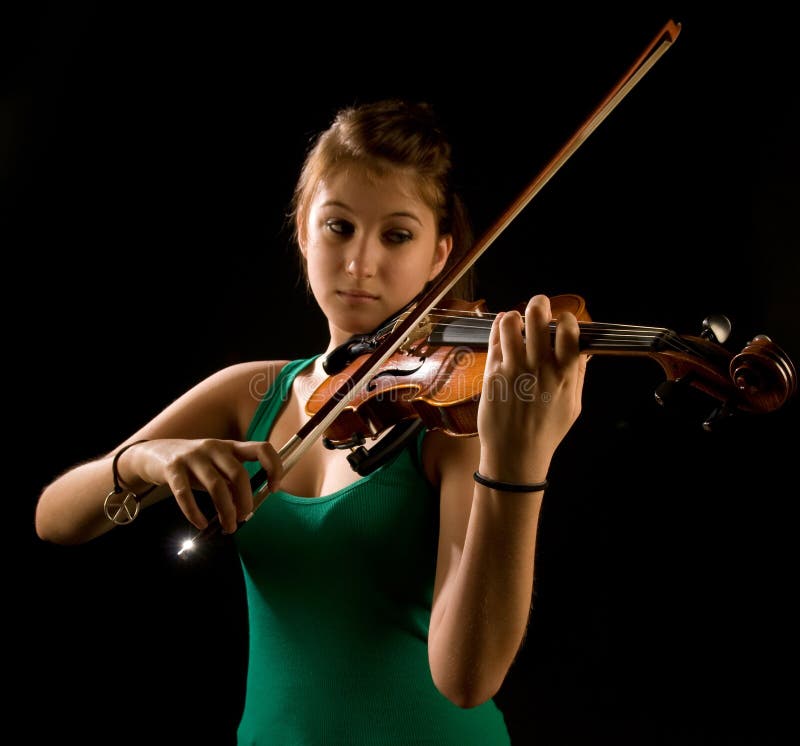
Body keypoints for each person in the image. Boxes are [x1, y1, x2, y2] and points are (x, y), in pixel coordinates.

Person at [34, 99, 587, 745]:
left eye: (397, 235)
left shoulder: (450, 423)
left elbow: (466, 679)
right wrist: (144, 461)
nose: (360, 262)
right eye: (339, 227)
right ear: (302, 230)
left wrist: (519, 463)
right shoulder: (252, 392)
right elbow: (56, 519)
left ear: (440, 256)